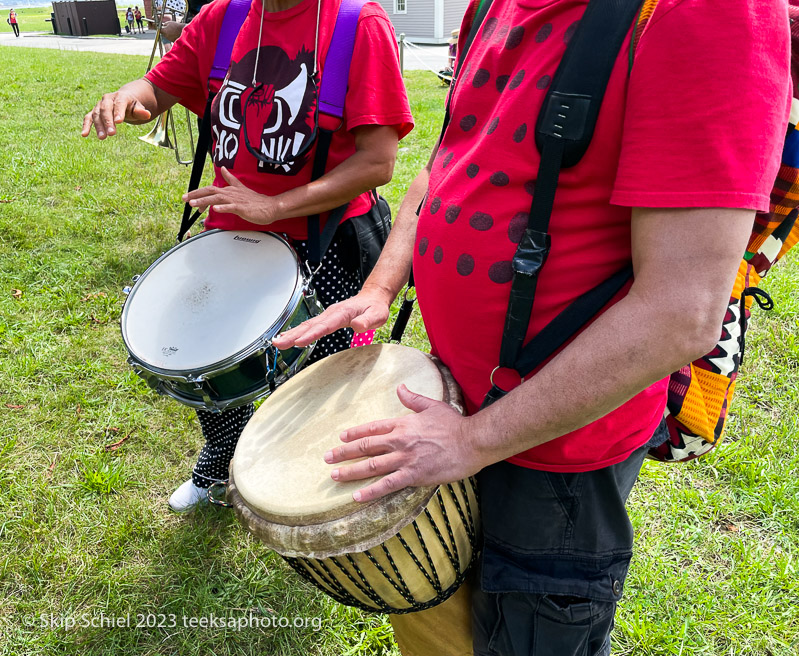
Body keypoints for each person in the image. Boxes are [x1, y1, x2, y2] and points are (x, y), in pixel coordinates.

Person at [273, 0, 791, 654]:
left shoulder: (705, 13)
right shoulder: (491, 4)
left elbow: (679, 312)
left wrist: (475, 440)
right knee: (449, 624)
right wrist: (381, 285)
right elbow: (446, 163)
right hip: (453, 404)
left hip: (557, 452)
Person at [82, 0, 413, 512]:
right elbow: (157, 88)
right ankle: (221, 461)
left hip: (327, 239)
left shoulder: (359, 24)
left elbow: (378, 160)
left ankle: (311, 490)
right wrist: (129, 97)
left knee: (324, 381)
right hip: (231, 236)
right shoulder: (223, 17)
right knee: (209, 364)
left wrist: (275, 205)